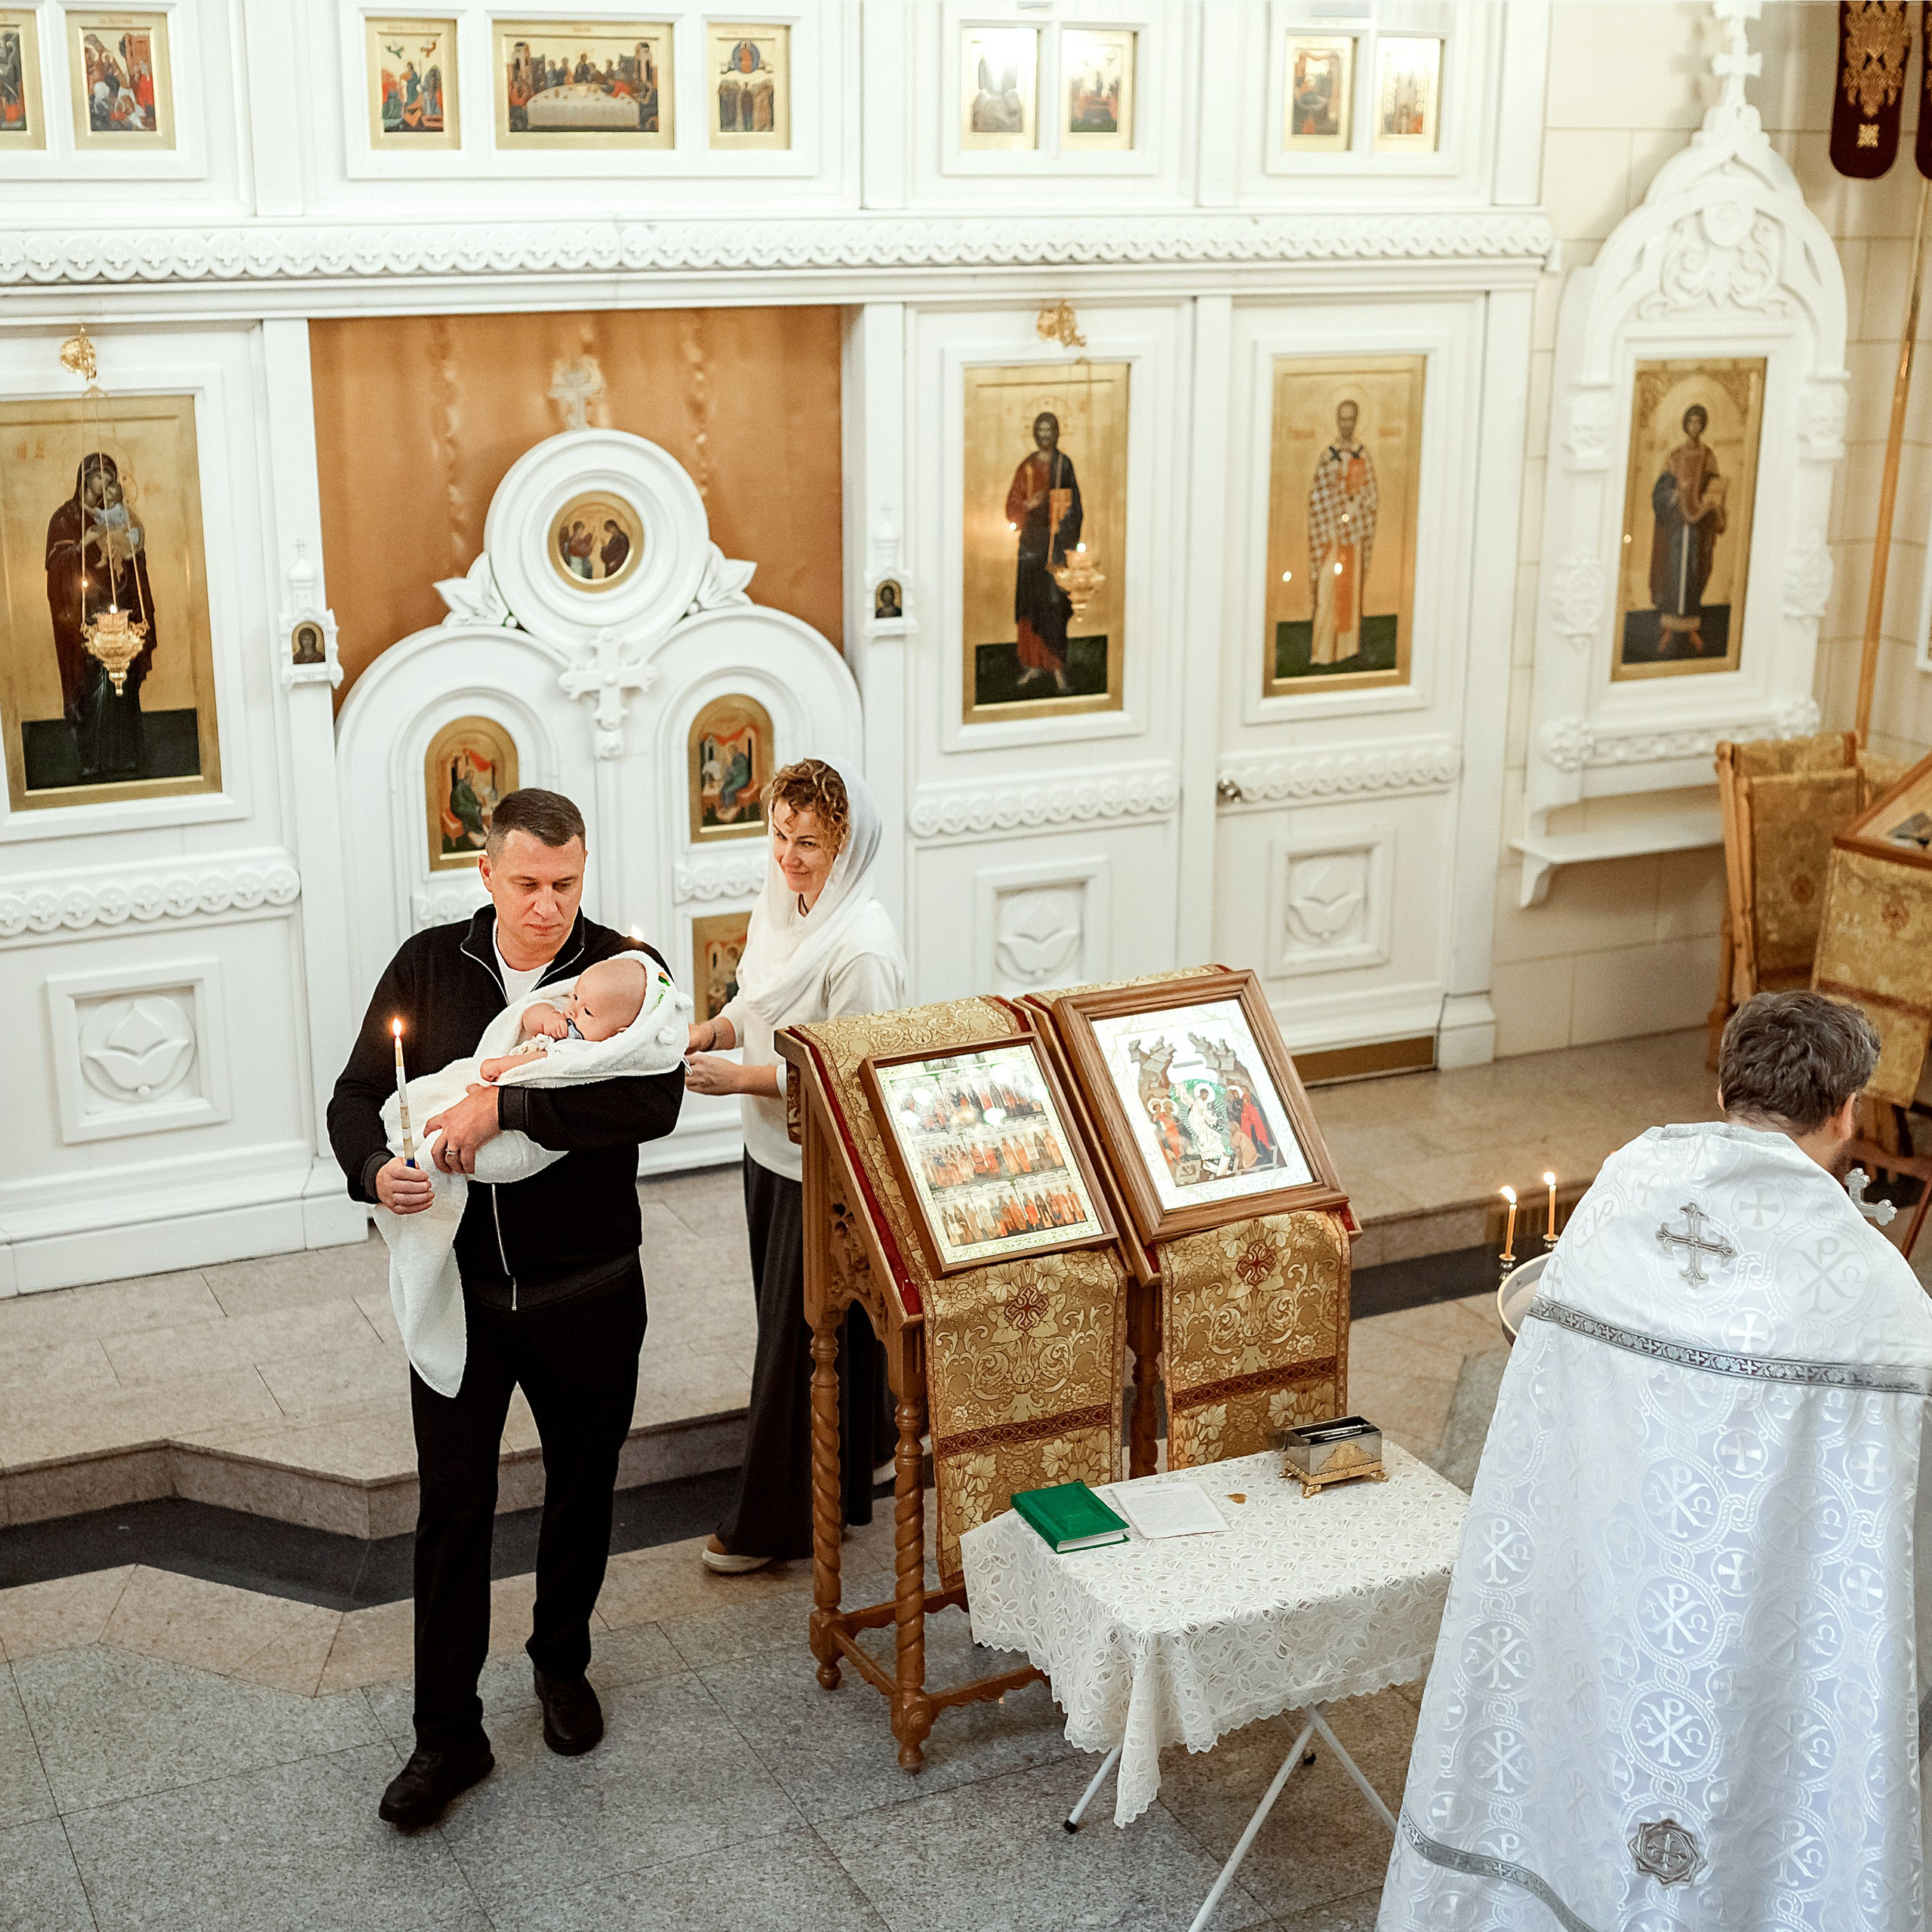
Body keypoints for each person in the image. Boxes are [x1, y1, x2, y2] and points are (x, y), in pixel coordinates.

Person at [1380, 990, 1932, 1930]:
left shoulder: (1630, 1185)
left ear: (1724, 1087)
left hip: (1614, 1578)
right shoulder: (1861, 1273)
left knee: (1583, 1740)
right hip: (1755, 1602)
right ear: (1844, 1111)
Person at [328, 789, 682, 1829]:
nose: (548, 905)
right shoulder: (431, 964)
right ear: (485, 875)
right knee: (451, 1514)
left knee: (583, 1485)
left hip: (590, 1290)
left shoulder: (623, 970)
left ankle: (560, 1664)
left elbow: (651, 1098)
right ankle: (447, 1735)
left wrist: (511, 1106)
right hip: (466, 1296)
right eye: (526, 883)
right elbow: (360, 1094)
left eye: (566, 884)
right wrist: (371, 1170)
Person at [684, 756, 906, 1574]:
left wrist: (740, 1076)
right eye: (780, 834)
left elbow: (855, 1079)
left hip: (824, 1169)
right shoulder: (786, 902)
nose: (789, 857)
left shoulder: (864, 949)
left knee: (793, 1339)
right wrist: (720, 1026)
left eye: (809, 842)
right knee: (826, 1322)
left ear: (847, 848)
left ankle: (773, 1524)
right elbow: (762, 993)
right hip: (770, 1149)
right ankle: (858, 1454)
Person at [45, 452, 158, 783]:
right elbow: (57, 563)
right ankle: (92, 761)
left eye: (110, 479)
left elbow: (136, 557)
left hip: (121, 608)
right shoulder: (66, 517)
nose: (105, 485)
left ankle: (127, 758)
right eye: (99, 478)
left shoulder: (118, 515)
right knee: (91, 685)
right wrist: (85, 544)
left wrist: (131, 551)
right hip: (84, 614)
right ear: (85, 479)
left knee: (123, 688)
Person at [1006, 411, 1082, 693]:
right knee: (1031, 606)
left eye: (1050, 429)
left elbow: (1075, 507)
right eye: (1040, 429)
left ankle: (1057, 667)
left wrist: (1061, 525)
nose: (1045, 434)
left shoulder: (1064, 465)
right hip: (1031, 547)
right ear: (1035, 433)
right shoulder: (1026, 466)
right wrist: (1027, 505)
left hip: (1055, 548)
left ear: (1057, 432)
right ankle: (1034, 665)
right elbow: (1012, 504)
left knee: (1054, 608)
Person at [1648, 401, 1727, 657]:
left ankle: (1691, 626)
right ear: (1685, 424)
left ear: (1703, 426)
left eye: (1699, 422)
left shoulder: (1708, 456)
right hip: (1675, 525)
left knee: (1693, 571)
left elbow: (1715, 488)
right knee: (1673, 571)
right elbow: (1661, 490)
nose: (1695, 426)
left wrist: (1712, 501)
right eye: (1691, 421)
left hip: (1698, 525)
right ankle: (1670, 627)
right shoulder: (1675, 456)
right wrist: (1674, 493)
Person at [1308, 398, 1378, 665]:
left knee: (1349, 592)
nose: (1346, 424)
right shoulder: (1329, 455)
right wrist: (1333, 513)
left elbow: (1370, 496)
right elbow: (1317, 496)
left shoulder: (1362, 454)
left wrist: (1357, 507)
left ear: (1356, 421)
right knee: (1327, 589)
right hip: (1331, 534)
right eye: (1342, 418)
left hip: (1353, 535)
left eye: (1351, 419)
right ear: (1337, 421)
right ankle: (1323, 653)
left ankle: (1347, 651)